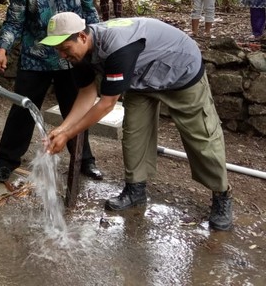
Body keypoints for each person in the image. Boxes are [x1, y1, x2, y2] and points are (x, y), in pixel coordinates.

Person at [40, 12, 232, 231]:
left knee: (201, 136)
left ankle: (222, 194)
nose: (62, 55)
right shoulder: (79, 55)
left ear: (82, 37)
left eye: (65, 49)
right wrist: (63, 128)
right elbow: (86, 93)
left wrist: (68, 135)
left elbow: (106, 103)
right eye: (58, 50)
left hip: (180, 69)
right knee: (134, 133)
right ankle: (136, 190)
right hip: (141, 76)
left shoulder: (118, 48)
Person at [0, 0, 102, 183]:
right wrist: (2, 48)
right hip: (35, 58)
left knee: (76, 110)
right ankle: (6, 161)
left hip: (73, 58)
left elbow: (90, 11)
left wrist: (95, 47)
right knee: (22, 110)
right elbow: (14, 22)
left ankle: (85, 161)